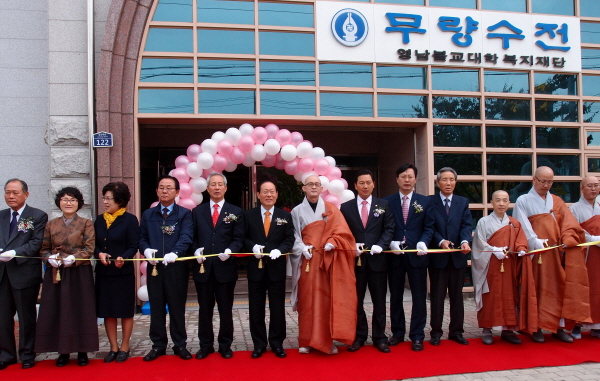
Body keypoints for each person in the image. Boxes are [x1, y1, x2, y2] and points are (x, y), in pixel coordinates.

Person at [513, 166, 591, 343]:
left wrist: (567, 238)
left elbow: (569, 224)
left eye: (550, 182)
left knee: (560, 287)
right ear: (534, 180)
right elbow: (522, 225)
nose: (546, 185)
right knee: (538, 289)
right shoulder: (523, 200)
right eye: (543, 181)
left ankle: (559, 327)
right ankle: (537, 327)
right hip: (538, 254)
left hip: (557, 252)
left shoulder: (557, 201)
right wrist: (535, 241)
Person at [290, 174, 357, 354]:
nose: (313, 187)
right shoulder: (296, 211)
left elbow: (342, 232)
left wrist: (334, 242)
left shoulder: (331, 208)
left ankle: (326, 341)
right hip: (307, 261)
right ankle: (306, 340)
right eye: (310, 184)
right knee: (306, 300)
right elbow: (294, 235)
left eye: (317, 184)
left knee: (326, 299)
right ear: (303, 188)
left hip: (327, 260)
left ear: (321, 189)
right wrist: (301, 247)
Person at [35, 187, 98, 367]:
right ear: (59, 202)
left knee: (81, 310)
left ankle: (82, 350)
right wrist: (49, 258)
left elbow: (89, 248)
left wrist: (74, 258)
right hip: (57, 272)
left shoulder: (86, 223)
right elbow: (44, 248)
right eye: (64, 199)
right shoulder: (51, 224)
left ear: (78, 203)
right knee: (58, 310)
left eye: (72, 200)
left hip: (79, 272)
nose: (68, 203)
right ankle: (62, 351)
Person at [471, 190, 538, 345]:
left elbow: (521, 240)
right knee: (490, 296)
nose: (501, 203)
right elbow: (479, 244)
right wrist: (492, 250)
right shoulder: (483, 222)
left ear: (509, 203)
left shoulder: (514, 223)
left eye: (504, 200)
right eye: (498, 200)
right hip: (490, 265)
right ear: (491, 203)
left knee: (510, 295)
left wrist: (521, 249)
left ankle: (507, 330)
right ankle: (487, 329)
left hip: (509, 265)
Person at [139, 175, 194, 361]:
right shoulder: (148, 214)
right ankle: (158, 345)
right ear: (156, 191)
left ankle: (180, 345)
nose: (165, 191)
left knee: (177, 307)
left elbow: (186, 236)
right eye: (161, 187)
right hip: (154, 268)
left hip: (176, 268)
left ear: (177, 192)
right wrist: (146, 250)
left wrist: (176, 253)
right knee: (156, 307)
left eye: (169, 188)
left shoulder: (184, 213)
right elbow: (142, 237)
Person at [340, 169, 394, 353]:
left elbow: (389, 229)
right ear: (355, 185)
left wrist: (382, 245)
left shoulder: (383, 205)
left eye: (368, 182)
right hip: (355, 262)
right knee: (356, 302)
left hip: (378, 261)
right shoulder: (345, 207)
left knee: (379, 302)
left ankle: (380, 337)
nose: (365, 186)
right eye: (361, 183)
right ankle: (359, 336)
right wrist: (351, 245)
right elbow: (342, 231)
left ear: (373, 184)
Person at [191, 173, 243, 360]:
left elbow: (239, 238)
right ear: (207, 188)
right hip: (203, 269)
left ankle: (225, 345)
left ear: (226, 188)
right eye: (213, 184)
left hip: (225, 268)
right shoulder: (197, 212)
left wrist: (230, 250)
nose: (217, 187)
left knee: (225, 309)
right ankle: (205, 346)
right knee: (204, 310)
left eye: (220, 184)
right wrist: (196, 251)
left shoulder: (235, 211)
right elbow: (193, 237)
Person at [384, 164, 434, 351]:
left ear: (415, 179)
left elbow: (429, 227)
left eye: (410, 176)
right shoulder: (387, 202)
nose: (406, 180)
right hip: (395, 255)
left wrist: (423, 242)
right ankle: (397, 333)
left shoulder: (425, 202)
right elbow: (385, 226)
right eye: (403, 176)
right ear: (397, 179)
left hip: (417, 254)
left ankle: (417, 335)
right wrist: (390, 243)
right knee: (395, 295)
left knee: (419, 296)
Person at [243, 179, 294, 359]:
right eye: (265, 191)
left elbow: (289, 239)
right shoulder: (248, 215)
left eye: (272, 191)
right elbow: (243, 237)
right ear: (258, 195)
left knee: (277, 308)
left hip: (276, 268)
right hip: (255, 268)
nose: (269, 195)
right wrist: (252, 247)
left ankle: (277, 343)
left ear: (277, 194)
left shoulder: (285, 216)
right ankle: (259, 344)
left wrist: (279, 251)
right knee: (256, 308)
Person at [0, 179, 48, 370]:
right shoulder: (1, 216)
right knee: (3, 318)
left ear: (26, 194)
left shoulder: (36, 216)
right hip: (2, 274)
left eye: (15, 192)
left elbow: (36, 242)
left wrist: (15, 253)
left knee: (26, 316)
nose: (11, 196)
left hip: (24, 273)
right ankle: (6, 354)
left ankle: (27, 354)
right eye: (7, 192)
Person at [94, 182, 140, 363]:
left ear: (119, 201)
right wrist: (99, 253)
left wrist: (124, 257)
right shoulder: (99, 220)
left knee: (125, 310)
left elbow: (133, 245)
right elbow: (94, 243)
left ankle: (125, 346)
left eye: (109, 199)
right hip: (104, 272)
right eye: (104, 198)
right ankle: (113, 347)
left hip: (123, 272)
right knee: (108, 310)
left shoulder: (129, 220)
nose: (105, 202)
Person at [428, 167, 472, 346]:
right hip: (438, 257)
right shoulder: (430, 202)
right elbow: (429, 226)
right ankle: (436, 332)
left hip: (457, 257)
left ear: (455, 182)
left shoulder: (462, 202)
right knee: (437, 296)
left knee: (456, 296)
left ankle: (456, 331)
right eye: (444, 180)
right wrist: (440, 241)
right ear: (437, 182)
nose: (448, 183)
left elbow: (466, 225)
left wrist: (464, 241)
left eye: (451, 179)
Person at [569, 175, 600, 339]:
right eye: (589, 186)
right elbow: (574, 231)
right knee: (581, 288)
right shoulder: (575, 208)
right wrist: (593, 239)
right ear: (582, 188)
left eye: (596, 185)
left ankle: (597, 325)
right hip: (584, 254)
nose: (593, 189)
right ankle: (577, 325)